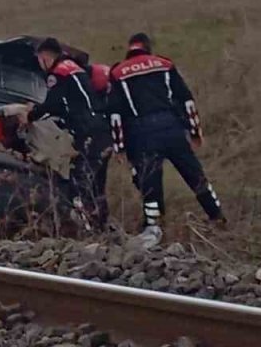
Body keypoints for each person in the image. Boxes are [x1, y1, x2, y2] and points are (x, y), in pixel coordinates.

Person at [109, 33, 225, 248]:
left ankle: (154, 226)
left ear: (130, 49)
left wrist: (120, 147)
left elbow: (115, 115)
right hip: (171, 128)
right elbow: (186, 100)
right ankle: (217, 216)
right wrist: (195, 131)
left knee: (150, 183)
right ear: (148, 48)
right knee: (194, 174)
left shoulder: (118, 73)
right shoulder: (164, 64)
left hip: (142, 133)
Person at [22, 38, 113, 230]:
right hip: (103, 130)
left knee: (78, 182)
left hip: (88, 132)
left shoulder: (58, 73)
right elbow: (69, 104)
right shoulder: (75, 69)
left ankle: (89, 228)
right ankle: (101, 225)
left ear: (45, 56)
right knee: (97, 184)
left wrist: (30, 115)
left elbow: (52, 104)